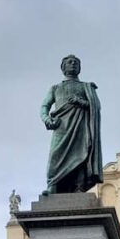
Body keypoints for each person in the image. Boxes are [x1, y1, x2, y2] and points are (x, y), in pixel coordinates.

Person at [40, 54, 102, 195]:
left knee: (81, 154)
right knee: (55, 155)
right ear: (63, 68)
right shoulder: (55, 88)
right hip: (61, 127)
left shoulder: (86, 87)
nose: (73, 64)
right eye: (69, 62)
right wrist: (46, 119)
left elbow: (95, 107)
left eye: (76, 62)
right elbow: (44, 106)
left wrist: (80, 102)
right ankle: (52, 185)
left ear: (79, 68)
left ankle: (79, 186)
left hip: (80, 127)